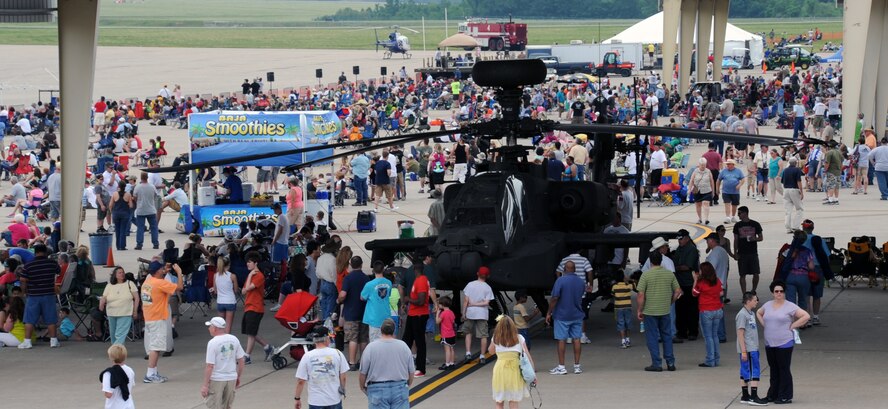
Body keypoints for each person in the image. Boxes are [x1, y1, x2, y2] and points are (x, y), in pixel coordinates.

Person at [757, 281, 811, 404]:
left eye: (781, 291)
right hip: (769, 342)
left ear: (784, 292)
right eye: (776, 291)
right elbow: (759, 313)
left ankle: (785, 395)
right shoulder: (767, 305)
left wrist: (793, 325)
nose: (779, 293)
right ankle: (772, 394)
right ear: (773, 292)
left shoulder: (790, 306)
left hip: (784, 342)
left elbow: (806, 316)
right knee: (773, 369)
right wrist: (765, 325)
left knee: (784, 369)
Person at [637, 251, 681, 372]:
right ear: (661, 260)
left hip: (650, 311)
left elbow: (641, 294)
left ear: (650, 261)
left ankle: (657, 363)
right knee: (667, 336)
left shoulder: (646, 275)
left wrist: (639, 309)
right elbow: (678, 291)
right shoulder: (669, 274)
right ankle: (670, 362)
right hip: (665, 310)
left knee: (652, 337)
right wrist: (670, 302)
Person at [141, 261, 183, 383]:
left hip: (150, 317)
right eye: (162, 268)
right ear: (158, 271)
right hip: (157, 318)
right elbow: (179, 287)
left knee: (155, 345)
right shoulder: (159, 283)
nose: (164, 270)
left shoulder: (147, 282)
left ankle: (153, 372)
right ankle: (150, 374)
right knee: (156, 347)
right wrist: (179, 272)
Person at [360, 318, 414, 409]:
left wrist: (362, 387)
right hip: (400, 387)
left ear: (381, 330)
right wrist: (407, 384)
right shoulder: (403, 346)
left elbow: (363, 372)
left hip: (377, 388)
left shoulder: (371, 347)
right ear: (394, 330)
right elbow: (411, 371)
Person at [294, 326, 349, 409]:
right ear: (326, 339)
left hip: (316, 401)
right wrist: (342, 388)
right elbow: (343, 377)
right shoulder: (338, 353)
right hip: (334, 399)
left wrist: (297, 398)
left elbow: (301, 381)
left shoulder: (307, 356)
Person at [546, 260, 585, 375]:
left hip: (562, 315)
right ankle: (577, 366)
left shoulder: (560, 280)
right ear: (575, 269)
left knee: (561, 340)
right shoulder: (580, 282)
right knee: (577, 339)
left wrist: (549, 312)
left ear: (564, 269)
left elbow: (554, 298)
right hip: (577, 314)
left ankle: (562, 367)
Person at [18, 243, 60, 349]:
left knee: (29, 319)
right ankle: (53, 341)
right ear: (45, 252)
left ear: (35, 252)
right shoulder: (52, 263)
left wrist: (23, 292)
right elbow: (58, 273)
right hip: (49, 294)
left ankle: (27, 342)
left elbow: (23, 280)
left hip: (33, 295)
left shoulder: (28, 265)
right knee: (51, 319)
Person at [488, 315, 533, 409]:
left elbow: (491, 351)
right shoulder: (519, 338)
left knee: (499, 401)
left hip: (500, 369)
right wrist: (532, 373)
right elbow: (527, 355)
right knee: (513, 400)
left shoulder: (496, 338)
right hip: (514, 370)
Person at [202, 317, 246, 409]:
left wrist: (205, 385)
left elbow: (210, 366)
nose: (208, 328)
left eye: (210, 326)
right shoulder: (234, 339)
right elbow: (241, 360)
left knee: (214, 406)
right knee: (227, 406)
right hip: (231, 378)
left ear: (215, 328)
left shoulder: (212, 343)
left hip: (217, 379)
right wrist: (238, 376)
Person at [241, 251, 274, 364]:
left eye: (249, 262)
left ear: (256, 263)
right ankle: (268, 347)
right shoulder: (251, 275)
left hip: (256, 307)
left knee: (251, 333)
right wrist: (250, 276)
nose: (247, 264)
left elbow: (249, 288)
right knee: (251, 332)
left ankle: (247, 356)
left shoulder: (259, 276)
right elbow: (243, 291)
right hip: (249, 306)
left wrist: (250, 276)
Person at [736, 292, 769, 406]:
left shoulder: (751, 313)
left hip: (753, 346)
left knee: (745, 370)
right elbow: (740, 333)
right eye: (755, 300)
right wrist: (744, 351)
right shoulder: (742, 315)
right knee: (753, 370)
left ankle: (745, 395)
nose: (757, 301)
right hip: (748, 349)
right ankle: (754, 397)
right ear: (748, 301)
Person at [339, 256, 370, 371]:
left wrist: (339, 300)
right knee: (363, 339)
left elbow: (343, 294)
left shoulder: (348, 278)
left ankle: (352, 362)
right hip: (364, 312)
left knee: (353, 338)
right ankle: (363, 362)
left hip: (351, 312)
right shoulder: (366, 278)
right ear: (361, 264)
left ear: (351, 264)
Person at [692, 262, 724, 368]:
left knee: (708, 336)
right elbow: (721, 293)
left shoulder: (701, 283)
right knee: (714, 335)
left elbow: (694, 293)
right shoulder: (717, 281)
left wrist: (695, 279)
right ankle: (716, 358)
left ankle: (710, 360)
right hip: (717, 309)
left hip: (706, 310)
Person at [401, 263, 430, 377]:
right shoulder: (418, 280)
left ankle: (421, 368)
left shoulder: (421, 281)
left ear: (414, 269)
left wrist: (408, 299)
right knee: (406, 340)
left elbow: (421, 301)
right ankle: (402, 364)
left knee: (419, 341)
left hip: (419, 314)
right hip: (413, 314)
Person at [99, 266, 140, 345]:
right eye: (119, 273)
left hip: (125, 312)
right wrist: (102, 302)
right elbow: (104, 297)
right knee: (113, 334)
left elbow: (137, 298)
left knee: (120, 334)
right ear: (115, 275)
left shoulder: (129, 283)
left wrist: (135, 311)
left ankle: (117, 351)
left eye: (123, 272)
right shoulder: (110, 285)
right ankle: (116, 351)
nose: (122, 274)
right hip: (112, 313)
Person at [462, 266, 494, 364]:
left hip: (470, 312)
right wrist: (477, 304)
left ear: (477, 274)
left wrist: (463, 313)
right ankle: (482, 356)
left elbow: (466, 301)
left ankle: (468, 353)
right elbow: (486, 303)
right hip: (482, 313)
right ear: (487, 276)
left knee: (468, 333)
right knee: (483, 335)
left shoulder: (470, 285)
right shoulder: (487, 287)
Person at [673, 229, 700, 342]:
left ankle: (693, 332)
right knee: (680, 309)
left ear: (687, 238)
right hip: (680, 284)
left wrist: (675, 268)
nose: (679, 241)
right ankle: (682, 331)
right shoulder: (679, 249)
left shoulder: (691, 250)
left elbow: (687, 267)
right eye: (678, 239)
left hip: (690, 284)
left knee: (692, 309)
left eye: (681, 239)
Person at [361, 260, 392, 345]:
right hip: (386, 316)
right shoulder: (389, 282)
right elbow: (388, 295)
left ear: (373, 270)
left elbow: (362, 297)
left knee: (374, 343)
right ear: (383, 270)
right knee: (386, 342)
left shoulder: (369, 284)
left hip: (374, 318)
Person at [733, 206, 763, 295]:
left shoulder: (755, 224)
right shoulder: (737, 225)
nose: (738, 215)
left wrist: (754, 239)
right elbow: (736, 240)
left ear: (745, 213)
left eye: (739, 213)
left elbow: (761, 238)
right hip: (742, 253)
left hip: (753, 252)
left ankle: (753, 290)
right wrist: (735, 252)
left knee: (756, 273)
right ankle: (744, 293)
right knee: (742, 274)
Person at [100, 344, 136, 409]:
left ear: (110, 357)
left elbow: (108, 394)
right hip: (128, 405)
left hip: (114, 406)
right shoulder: (130, 370)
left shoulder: (108, 373)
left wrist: (103, 386)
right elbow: (130, 385)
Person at [132, 172, 159, 250]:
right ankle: (155, 243)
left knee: (140, 227)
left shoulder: (137, 187)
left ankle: (139, 244)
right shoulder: (152, 186)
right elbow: (155, 196)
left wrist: (138, 202)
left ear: (141, 178)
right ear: (147, 178)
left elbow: (135, 197)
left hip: (141, 209)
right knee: (154, 227)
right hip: (151, 209)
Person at [212, 256, 239, 334]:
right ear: (229, 265)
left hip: (220, 301)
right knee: (228, 325)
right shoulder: (232, 276)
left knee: (221, 324)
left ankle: (221, 340)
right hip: (230, 301)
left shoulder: (215, 275)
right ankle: (227, 340)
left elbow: (215, 291)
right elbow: (236, 290)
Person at [612, 271, 636, 349]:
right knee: (628, 322)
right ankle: (628, 340)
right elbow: (634, 285)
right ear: (623, 277)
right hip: (628, 307)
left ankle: (623, 341)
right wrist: (629, 280)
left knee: (621, 323)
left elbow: (612, 294)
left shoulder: (614, 286)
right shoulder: (628, 286)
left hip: (618, 308)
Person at [781, 157, 805, 233]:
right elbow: (799, 181)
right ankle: (796, 226)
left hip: (786, 190)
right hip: (794, 189)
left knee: (788, 210)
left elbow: (782, 181)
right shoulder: (797, 170)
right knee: (799, 208)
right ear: (796, 163)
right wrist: (801, 191)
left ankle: (788, 227)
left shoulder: (785, 170)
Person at [718, 159, 745, 224]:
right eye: (727, 164)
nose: (727, 165)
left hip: (735, 191)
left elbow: (743, 179)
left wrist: (739, 185)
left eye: (729, 164)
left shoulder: (738, 171)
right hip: (725, 191)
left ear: (733, 165)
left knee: (734, 205)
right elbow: (718, 180)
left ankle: (733, 216)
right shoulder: (724, 171)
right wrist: (717, 189)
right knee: (727, 203)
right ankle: (727, 217)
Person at [688, 158, 714, 224]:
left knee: (706, 203)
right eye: (702, 165)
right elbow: (691, 180)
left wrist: (713, 191)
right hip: (697, 190)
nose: (703, 166)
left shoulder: (708, 171)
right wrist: (689, 189)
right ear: (699, 164)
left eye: (704, 165)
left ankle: (706, 219)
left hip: (707, 190)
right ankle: (700, 219)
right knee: (698, 205)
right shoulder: (695, 171)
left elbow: (711, 181)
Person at [110, 180, 133, 251]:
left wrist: (112, 212)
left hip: (116, 214)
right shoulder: (128, 194)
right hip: (125, 214)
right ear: (125, 187)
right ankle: (122, 246)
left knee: (117, 230)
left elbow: (110, 205)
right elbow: (131, 205)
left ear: (118, 186)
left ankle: (117, 246)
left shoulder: (114, 194)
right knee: (123, 230)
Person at [436, 296, 457, 370]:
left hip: (445, 334)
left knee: (447, 350)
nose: (438, 305)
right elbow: (453, 322)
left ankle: (447, 364)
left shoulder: (443, 313)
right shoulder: (451, 312)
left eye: (439, 304)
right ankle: (452, 363)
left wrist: (437, 313)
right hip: (452, 334)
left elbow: (437, 321)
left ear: (442, 305)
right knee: (452, 349)